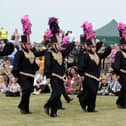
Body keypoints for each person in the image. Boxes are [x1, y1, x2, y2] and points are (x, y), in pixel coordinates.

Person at [77, 21, 111, 112]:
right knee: (91, 91)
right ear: (88, 47)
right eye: (92, 47)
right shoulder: (86, 55)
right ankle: (82, 100)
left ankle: (91, 108)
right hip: (88, 76)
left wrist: (109, 48)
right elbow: (81, 66)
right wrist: (81, 75)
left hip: (96, 77)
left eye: (94, 46)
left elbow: (104, 54)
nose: (94, 48)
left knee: (93, 92)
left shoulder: (97, 55)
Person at [43, 34, 76, 117]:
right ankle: (47, 105)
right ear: (53, 45)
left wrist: (73, 43)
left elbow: (67, 51)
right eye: (57, 44)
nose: (59, 45)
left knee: (58, 95)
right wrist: (48, 76)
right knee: (57, 92)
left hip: (60, 76)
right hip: (53, 75)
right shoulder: (49, 52)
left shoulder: (60, 52)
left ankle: (53, 113)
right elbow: (47, 64)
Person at [12, 35, 45, 114]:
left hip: (30, 76)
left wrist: (46, 50)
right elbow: (16, 65)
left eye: (29, 43)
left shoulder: (32, 53)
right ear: (23, 44)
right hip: (22, 75)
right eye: (27, 44)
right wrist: (16, 76)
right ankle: (22, 107)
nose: (29, 45)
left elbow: (39, 53)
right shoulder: (19, 53)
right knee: (26, 89)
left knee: (29, 91)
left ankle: (25, 108)